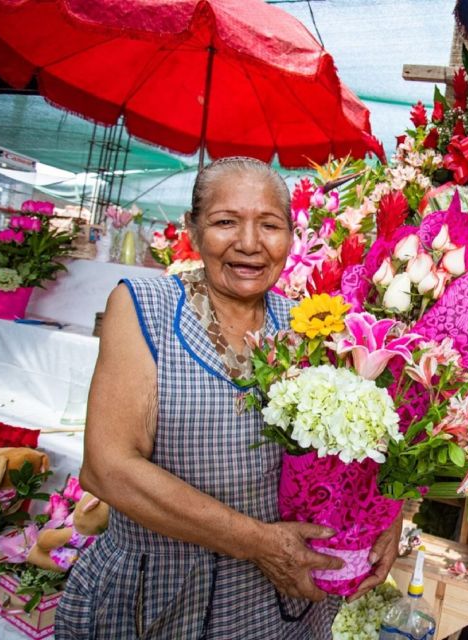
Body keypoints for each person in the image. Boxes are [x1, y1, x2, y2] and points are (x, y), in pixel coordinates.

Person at [56, 157, 402, 639]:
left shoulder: (310, 324)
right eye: (225, 222)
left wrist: (385, 517)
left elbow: (352, 450)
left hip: (275, 605)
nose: (249, 243)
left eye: (270, 225)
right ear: (193, 232)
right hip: (160, 592)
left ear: (290, 236)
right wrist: (259, 542)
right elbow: (108, 467)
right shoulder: (143, 305)